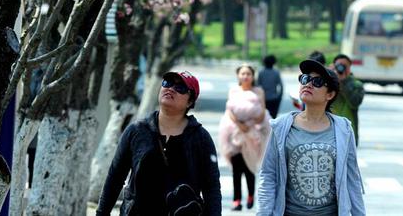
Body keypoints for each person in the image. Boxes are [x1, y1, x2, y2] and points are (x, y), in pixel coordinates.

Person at [96, 71, 221, 216]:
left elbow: (211, 188)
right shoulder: (136, 131)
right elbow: (115, 178)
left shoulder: (201, 138)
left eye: (180, 88)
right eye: (167, 83)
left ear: (190, 101)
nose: (171, 89)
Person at [257, 59, 365, 216]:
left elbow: (352, 180)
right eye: (305, 79)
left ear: (330, 94)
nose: (308, 84)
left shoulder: (343, 129)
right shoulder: (281, 126)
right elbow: (268, 175)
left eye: (317, 82)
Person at [219, 64, 271, 211]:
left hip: (253, 131)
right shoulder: (233, 90)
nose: (245, 76)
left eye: (248, 74)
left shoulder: (258, 91)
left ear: (252, 76)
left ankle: (250, 196)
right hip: (234, 131)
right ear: (238, 76)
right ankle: (236, 200)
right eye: (242, 74)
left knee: (249, 167)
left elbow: (262, 111)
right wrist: (239, 124)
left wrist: (252, 123)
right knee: (236, 168)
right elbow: (229, 110)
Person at [329, 54, 365, 145]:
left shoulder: (357, 85)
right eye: (338, 65)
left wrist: (344, 82)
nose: (341, 68)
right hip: (330, 131)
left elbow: (354, 103)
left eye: (344, 66)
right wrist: (330, 76)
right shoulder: (328, 83)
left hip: (349, 132)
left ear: (349, 68)